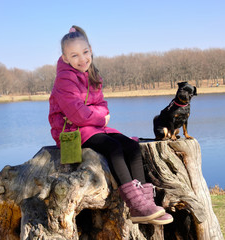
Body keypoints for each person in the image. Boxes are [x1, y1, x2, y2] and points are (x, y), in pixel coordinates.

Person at [48, 25, 173, 225]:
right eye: (74, 55)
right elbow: (77, 114)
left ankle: (147, 203)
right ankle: (136, 205)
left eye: (85, 52)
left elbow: (102, 106)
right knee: (113, 148)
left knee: (132, 146)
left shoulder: (92, 75)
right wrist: (99, 117)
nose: (82, 59)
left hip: (92, 128)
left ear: (91, 50)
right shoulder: (65, 80)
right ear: (65, 58)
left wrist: (98, 115)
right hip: (71, 131)